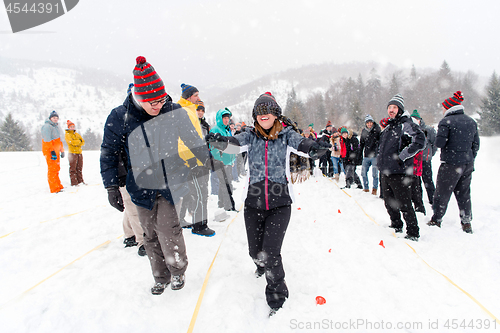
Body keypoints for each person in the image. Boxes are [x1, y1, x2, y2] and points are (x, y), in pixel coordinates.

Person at [206, 92, 329, 316]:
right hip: (253, 203)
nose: (264, 115)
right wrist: (221, 142)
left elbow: (302, 143)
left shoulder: (286, 135)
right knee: (255, 252)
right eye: (260, 112)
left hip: (280, 203)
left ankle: (277, 297)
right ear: (255, 116)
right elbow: (234, 145)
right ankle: (260, 264)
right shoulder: (249, 136)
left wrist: (313, 148)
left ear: (276, 114)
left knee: (271, 253)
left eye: (268, 111)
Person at [100, 56, 210, 295]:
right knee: (148, 234)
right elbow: (109, 153)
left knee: (169, 229)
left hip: (171, 182)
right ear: (138, 96)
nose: (157, 106)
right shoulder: (120, 116)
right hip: (139, 186)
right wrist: (111, 186)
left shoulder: (173, 110)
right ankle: (160, 276)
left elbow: (193, 139)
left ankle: (177, 271)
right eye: (151, 102)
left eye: (160, 99)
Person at [428, 91, 480, 234]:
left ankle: (436, 219)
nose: (442, 110)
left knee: (442, 193)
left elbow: (439, 143)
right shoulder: (471, 121)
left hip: (450, 164)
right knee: (464, 193)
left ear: (449, 108)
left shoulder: (446, 122)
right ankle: (466, 222)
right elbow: (476, 144)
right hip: (467, 164)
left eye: (443, 107)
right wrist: (468, 157)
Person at [377, 94, 425, 241]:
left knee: (404, 203)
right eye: (389, 107)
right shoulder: (388, 126)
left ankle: (413, 232)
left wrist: (403, 156)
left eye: (394, 107)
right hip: (385, 171)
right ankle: (396, 224)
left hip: (400, 172)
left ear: (400, 109)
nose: (391, 110)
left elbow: (420, 140)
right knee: (388, 201)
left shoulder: (406, 124)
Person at [177, 84, 215, 236]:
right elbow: (181, 139)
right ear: (188, 97)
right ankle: (200, 226)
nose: (199, 98)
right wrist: (191, 159)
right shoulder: (184, 111)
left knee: (188, 192)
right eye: (196, 95)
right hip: (191, 160)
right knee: (200, 193)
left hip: (196, 158)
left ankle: (180, 220)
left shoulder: (190, 110)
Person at [117, 148, 146, 256]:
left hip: (136, 172)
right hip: (126, 175)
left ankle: (129, 234)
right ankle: (142, 241)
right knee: (133, 208)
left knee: (131, 206)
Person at [209, 107, 237, 212]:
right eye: (224, 118)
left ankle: (221, 203)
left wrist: (232, 159)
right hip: (221, 161)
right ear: (219, 118)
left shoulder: (226, 130)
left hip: (228, 160)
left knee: (224, 183)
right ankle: (228, 206)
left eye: (228, 118)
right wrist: (218, 159)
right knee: (226, 183)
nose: (226, 120)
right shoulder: (216, 129)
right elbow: (213, 146)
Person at [411, 110, 438, 204]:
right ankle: (418, 200)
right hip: (414, 161)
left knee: (428, 180)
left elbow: (435, 144)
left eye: (416, 119)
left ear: (419, 120)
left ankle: (433, 200)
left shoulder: (428, 130)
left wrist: (430, 154)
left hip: (425, 160)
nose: (415, 121)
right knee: (416, 182)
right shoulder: (410, 130)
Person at [41, 110, 65, 193]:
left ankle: (58, 185)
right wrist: (52, 151)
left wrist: (62, 150)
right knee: (52, 169)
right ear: (50, 118)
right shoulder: (47, 127)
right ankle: (54, 188)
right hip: (50, 152)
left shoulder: (55, 127)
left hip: (56, 151)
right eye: (54, 117)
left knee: (57, 168)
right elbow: (47, 140)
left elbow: (58, 140)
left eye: (56, 118)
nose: (55, 119)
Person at [359, 114, 381, 195]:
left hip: (375, 155)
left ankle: (374, 189)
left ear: (372, 122)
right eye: (367, 123)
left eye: (370, 122)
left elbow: (380, 141)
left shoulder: (377, 129)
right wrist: (360, 154)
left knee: (375, 174)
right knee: (363, 173)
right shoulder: (364, 131)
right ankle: (366, 188)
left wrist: (378, 151)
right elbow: (361, 143)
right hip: (366, 155)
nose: (369, 124)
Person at [64, 120, 85, 186]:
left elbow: (83, 141)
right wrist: (78, 142)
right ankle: (74, 182)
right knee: (73, 168)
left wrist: (78, 142)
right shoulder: (67, 135)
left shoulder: (77, 134)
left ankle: (80, 181)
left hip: (79, 152)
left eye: (73, 126)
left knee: (79, 167)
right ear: (68, 127)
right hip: (72, 153)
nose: (72, 128)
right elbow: (72, 142)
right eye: (71, 126)